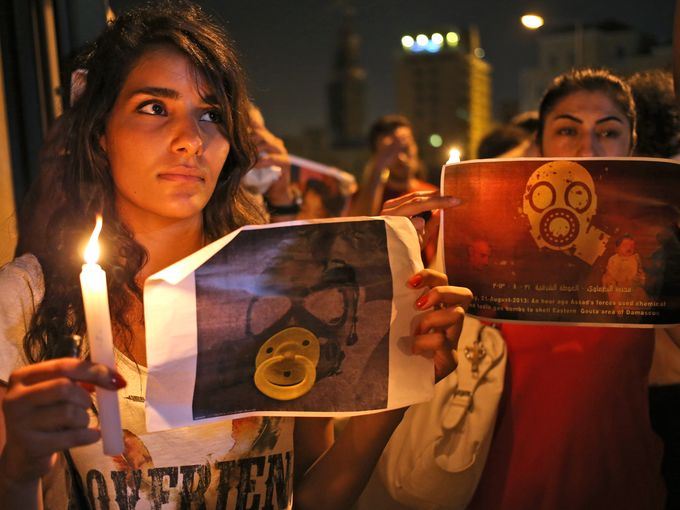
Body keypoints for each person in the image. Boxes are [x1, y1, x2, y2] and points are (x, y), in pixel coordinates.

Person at [0, 3, 470, 509]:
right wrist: (20, 470)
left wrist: (396, 383)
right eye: (154, 107)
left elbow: (310, 494)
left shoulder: (283, 277)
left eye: (210, 115)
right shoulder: (27, 299)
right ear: (99, 132)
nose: (189, 141)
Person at [466, 68, 674, 509]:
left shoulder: (647, 239)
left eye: (608, 131)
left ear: (631, 144)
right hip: (505, 485)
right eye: (567, 129)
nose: (588, 147)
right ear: (539, 144)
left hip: (621, 481)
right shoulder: (494, 233)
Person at [352, 115, 437, 216]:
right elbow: (358, 224)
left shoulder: (431, 194)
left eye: (406, 148)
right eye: (390, 151)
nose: (401, 158)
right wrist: (377, 170)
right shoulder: (364, 199)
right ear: (377, 156)